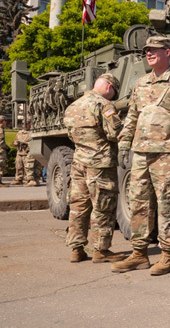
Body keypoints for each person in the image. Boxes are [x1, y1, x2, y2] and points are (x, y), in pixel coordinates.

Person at [112, 36, 170, 276]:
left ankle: (167, 255)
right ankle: (139, 254)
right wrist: (123, 145)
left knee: (168, 204)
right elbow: (132, 117)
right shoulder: (140, 84)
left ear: (167, 52)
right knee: (138, 202)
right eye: (147, 50)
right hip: (140, 152)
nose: (149, 53)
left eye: (154, 50)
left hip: (168, 153)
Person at [64, 74, 125, 263]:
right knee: (103, 206)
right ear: (109, 87)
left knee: (78, 206)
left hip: (79, 162)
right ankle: (101, 250)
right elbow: (115, 133)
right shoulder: (104, 105)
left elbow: (71, 135)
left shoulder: (73, 106)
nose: (112, 97)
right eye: (113, 93)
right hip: (100, 164)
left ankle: (76, 249)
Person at [0, 115, 8, 187]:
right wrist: (6, 147)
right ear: (3, 121)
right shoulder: (0, 130)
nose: (6, 123)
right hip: (1, 151)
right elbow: (1, 142)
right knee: (0, 166)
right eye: (5, 121)